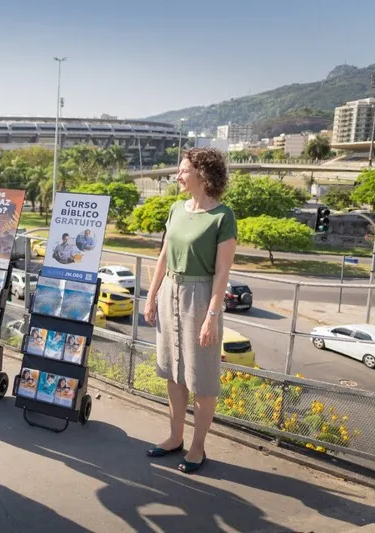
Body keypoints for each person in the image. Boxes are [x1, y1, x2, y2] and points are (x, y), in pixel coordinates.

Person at [143, 147, 237, 474]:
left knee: (201, 376)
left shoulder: (222, 217)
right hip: (170, 290)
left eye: (183, 170)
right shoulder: (175, 209)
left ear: (203, 175)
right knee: (172, 371)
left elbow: (222, 273)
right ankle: (174, 437)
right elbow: (163, 256)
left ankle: (197, 448)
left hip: (200, 297)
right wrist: (150, 296)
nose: (178, 176)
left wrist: (212, 316)